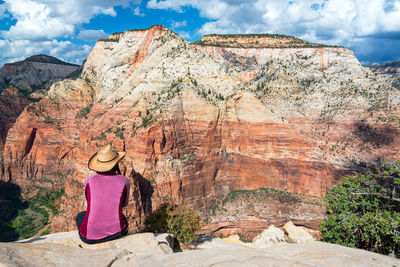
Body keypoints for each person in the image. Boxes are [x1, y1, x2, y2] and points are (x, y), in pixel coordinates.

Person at [75, 144, 130, 244]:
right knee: (123, 218)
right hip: (117, 232)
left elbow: (90, 202)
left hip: (89, 237)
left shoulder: (89, 181)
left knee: (80, 216)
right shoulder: (124, 181)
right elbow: (124, 204)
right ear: (116, 163)